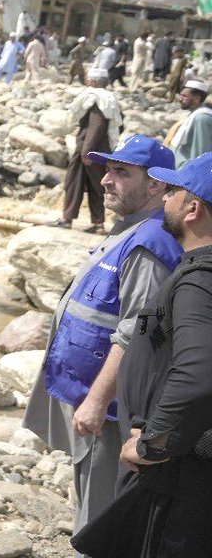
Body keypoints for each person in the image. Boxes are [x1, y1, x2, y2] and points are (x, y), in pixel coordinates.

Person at [24, 135, 182, 545]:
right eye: (108, 170)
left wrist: (96, 401)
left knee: (100, 514)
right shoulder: (129, 229)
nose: (106, 180)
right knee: (88, 493)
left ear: (156, 184)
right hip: (90, 394)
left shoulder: (150, 244)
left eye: (121, 172)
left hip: (110, 409)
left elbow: (135, 333)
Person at [84, 151, 212, 556]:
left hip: (180, 478)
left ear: (192, 209)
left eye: (173, 191)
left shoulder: (199, 282)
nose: (165, 198)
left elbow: (198, 372)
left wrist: (152, 442)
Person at [55, 68, 122, 232]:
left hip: (87, 150)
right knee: (96, 186)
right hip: (99, 150)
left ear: (93, 81)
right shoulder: (108, 98)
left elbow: (96, 126)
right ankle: (98, 224)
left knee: (74, 183)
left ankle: (67, 219)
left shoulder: (96, 99)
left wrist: (86, 152)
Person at [164, 79, 212, 169]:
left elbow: (201, 154)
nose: (180, 99)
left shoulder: (202, 118)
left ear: (197, 99)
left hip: (187, 173)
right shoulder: (194, 115)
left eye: (184, 96)